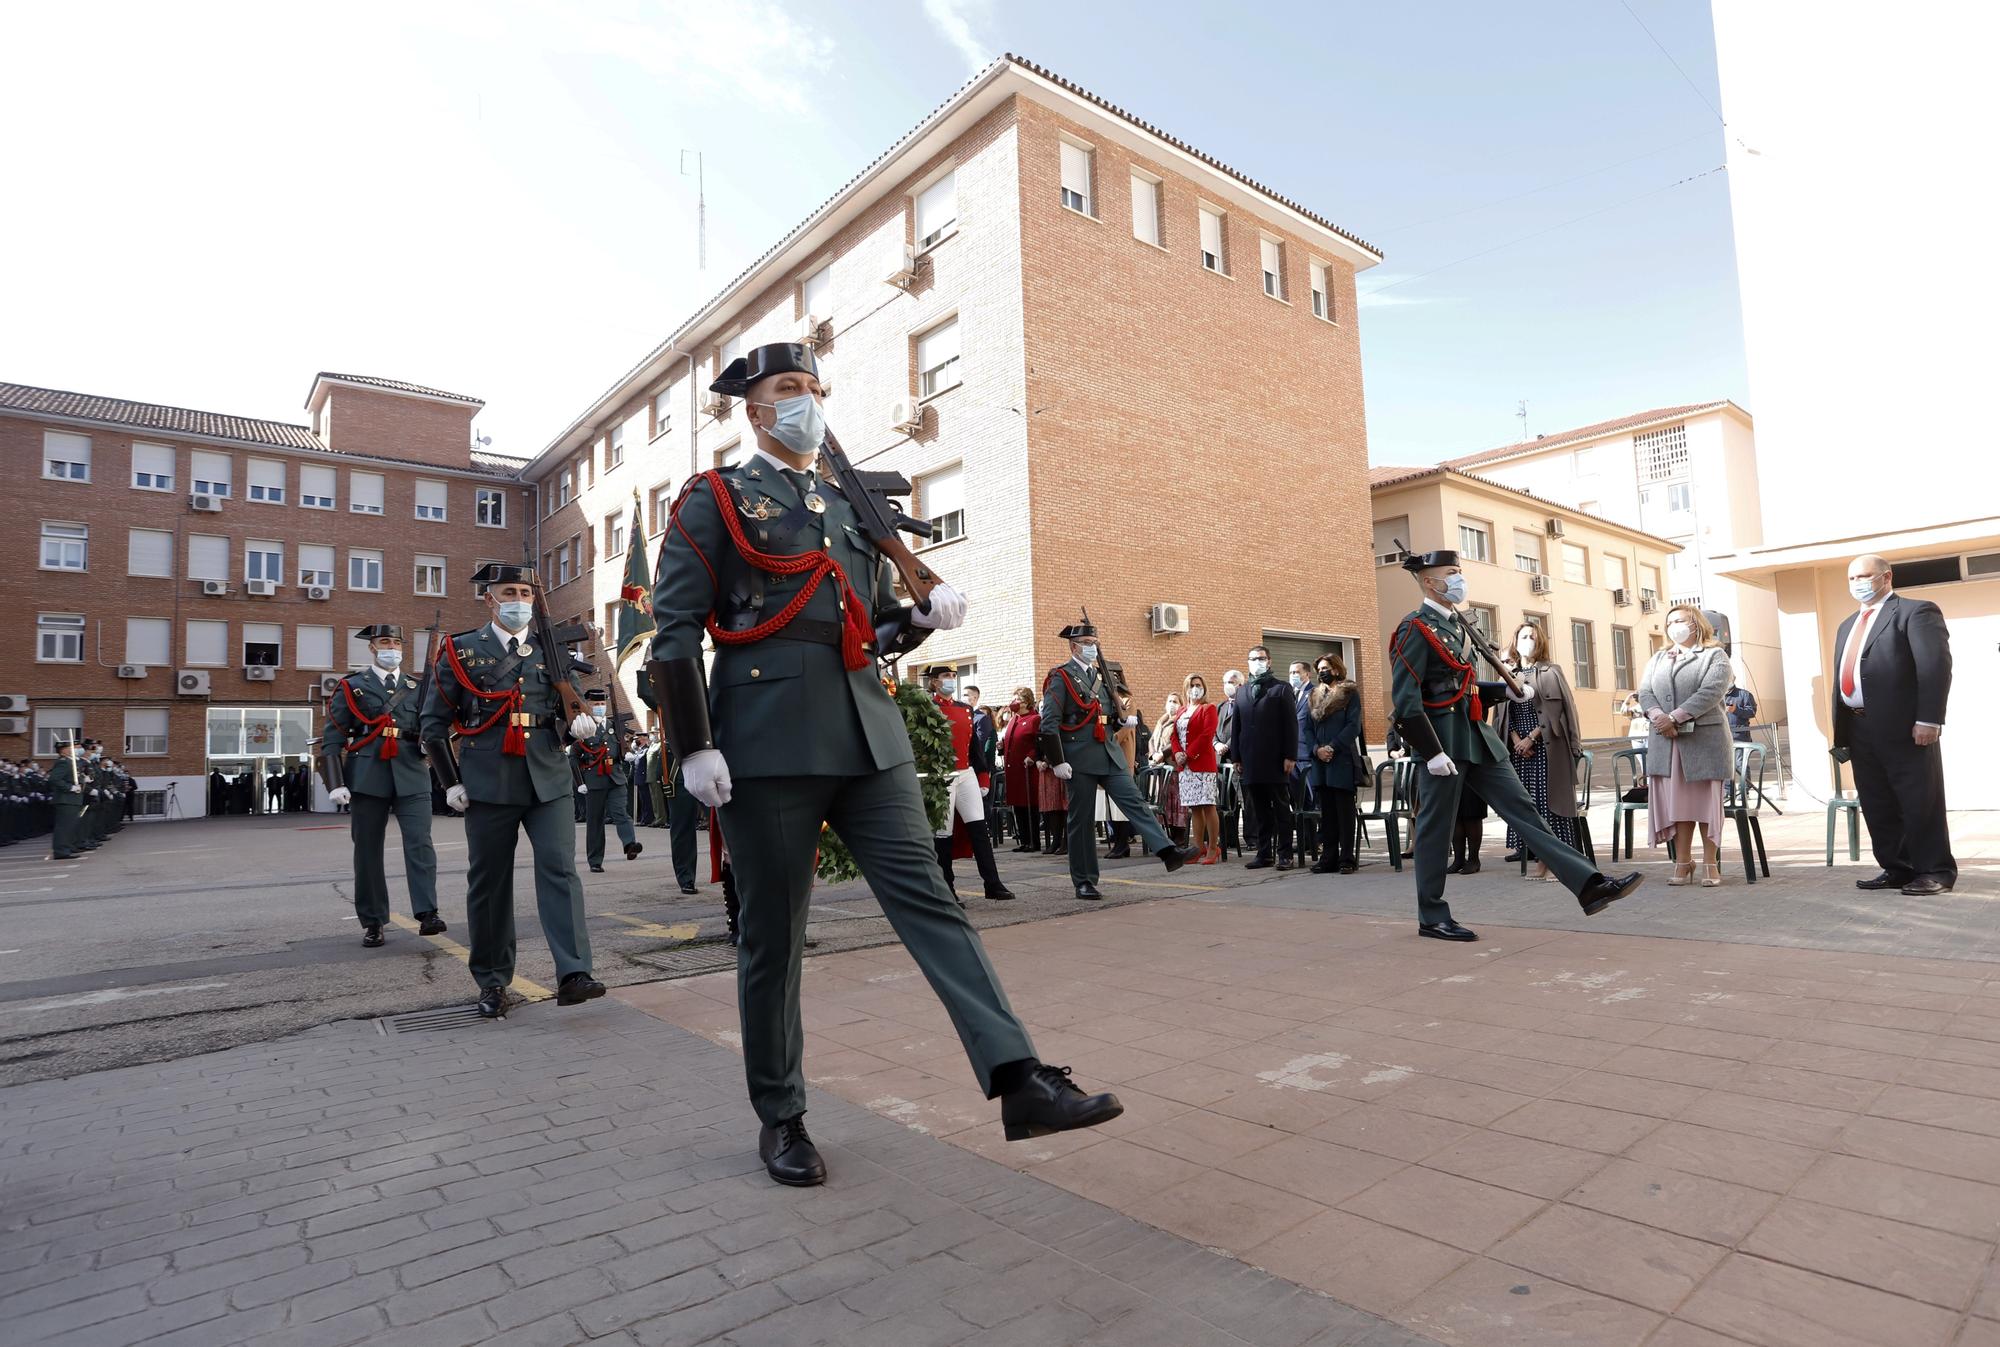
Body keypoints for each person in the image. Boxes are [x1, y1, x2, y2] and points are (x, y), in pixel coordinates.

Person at [650, 341, 1122, 1187]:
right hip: (765, 740)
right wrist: (693, 743)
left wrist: (922, 615)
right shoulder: (717, 497)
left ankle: (1019, 1078)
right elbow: (675, 630)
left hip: (870, 735)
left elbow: (865, 626)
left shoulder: (845, 502)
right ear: (754, 410)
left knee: (935, 905)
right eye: (789, 389)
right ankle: (782, 1114)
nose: (808, 401)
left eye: (815, 388)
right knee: (774, 940)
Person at [1390, 545, 1643, 940]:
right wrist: (1432, 751)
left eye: (1458, 570)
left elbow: (1463, 684)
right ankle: (1432, 915)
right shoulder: (1414, 628)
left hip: (1477, 736)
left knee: (1525, 811)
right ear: (1427, 581)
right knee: (1435, 829)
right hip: (1443, 741)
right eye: (1450, 572)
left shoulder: (1457, 623)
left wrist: (1502, 693)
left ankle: (1588, 885)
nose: (1457, 577)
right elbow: (1406, 700)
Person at [421, 562, 607, 1020]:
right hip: (487, 780)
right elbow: (431, 725)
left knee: (561, 871)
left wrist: (583, 726)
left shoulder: (552, 648)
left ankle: (574, 973)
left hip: (548, 775)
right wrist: (451, 782)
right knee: (489, 884)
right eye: (510, 592)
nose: (519, 600)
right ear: (490, 599)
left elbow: (572, 705)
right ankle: (492, 980)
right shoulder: (462, 651)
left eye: (525, 592)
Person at [1040, 616, 1190, 898]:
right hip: (1078, 756)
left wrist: (1122, 723)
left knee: (1135, 801)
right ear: (1073, 647)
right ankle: (1084, 880)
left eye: (1094, 643)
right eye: (1086, 643)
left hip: (1108, 752)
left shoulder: (1100, 675)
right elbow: (1049, 722)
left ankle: (1168, 851)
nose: (1092, 648)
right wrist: (1057, 759)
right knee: (1081, 821)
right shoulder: (1060, 676)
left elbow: (1106, 715)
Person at [1835, 553, 1956, 895]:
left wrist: (1929, 718)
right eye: (1852, 578)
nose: (1858, 583)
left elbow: (1934, 667)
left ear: (1886, 577)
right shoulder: (1848, 624)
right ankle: (1898, 868)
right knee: (1877, 802)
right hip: (1859, 726)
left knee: (1920, 800)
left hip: (1907, 727)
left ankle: (1936, 871)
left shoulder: (1915, 612)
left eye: (1864, 576)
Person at [322, 624, 445, 947]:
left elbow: (434, 728)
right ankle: (373, 920)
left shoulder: (418, 687)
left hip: (411, 771)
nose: (391, 647)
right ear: (372, 648)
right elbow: (332, 736)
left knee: (420, 844)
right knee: (367, 852)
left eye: (395, 642)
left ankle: (427, 912)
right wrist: (334, 782)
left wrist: (427, 745)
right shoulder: (353, 687)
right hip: (367, 776)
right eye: (384, 642)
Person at [1639, 605, 1735, 888]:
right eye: (1670, 622)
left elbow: (1711, 692)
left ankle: (1709, 862)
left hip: (1704, 742)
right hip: (1667, 743)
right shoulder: (1658, 658)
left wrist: (1674, 718)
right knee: (1679, 805)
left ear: (1696, 623)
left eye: (1680, 620)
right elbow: (1645, 691)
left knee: (1705, 805)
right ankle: (1683, 862)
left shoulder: (1714, 655)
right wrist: (1658, 717)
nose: (1674, 626)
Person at [1498, 622, 1584, 881]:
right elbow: (1502, 715)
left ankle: (1554, 864)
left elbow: (1562, 711)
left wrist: (1531, 738)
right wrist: (1516, 740)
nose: (1528, 641)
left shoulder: (1551, 671)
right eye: (1523, 636)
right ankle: (1541, 861)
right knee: (1528, 808)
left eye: (1532, 637)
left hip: (1546, 749)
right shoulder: (1507, 672)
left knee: (1550, 806)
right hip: (1518, 753)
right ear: (1515, 640)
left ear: (1541, 641)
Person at [923, 664, 1014, 902]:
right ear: (934, 682)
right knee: (943, 834)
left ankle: (992, 884)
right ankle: (947, 889)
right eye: (946, 676)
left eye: (954, 676)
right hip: (940, 777)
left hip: (966, 773)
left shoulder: (965, 709)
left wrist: (983, 775)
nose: (952, 680)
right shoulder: (926, 707)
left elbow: (975, 748)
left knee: (979, 829)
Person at [1231, 645, 1297, 871]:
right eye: (1252, 659)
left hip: (1276, 759)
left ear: (1269, 661)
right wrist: (1236, 757)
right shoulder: (1242, 691)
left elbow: (1291, 724)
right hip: (1250, 759)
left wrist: (1290, 755)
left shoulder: (1281, 689)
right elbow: (1236, 727)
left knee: (1280, 809)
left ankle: (1285, 854)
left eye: (1260, 658)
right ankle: (1264, 853)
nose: (1256, 662)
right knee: (1259, 811)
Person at [1299, 653, 1365, 874]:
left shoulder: (1349, 694)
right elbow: (1307, 728)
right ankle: (1328, 858)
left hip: (1341, 760)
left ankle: (1347, 858)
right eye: (1319, 669)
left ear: (1336, 669)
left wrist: (1332, 747)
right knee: (1326, 813)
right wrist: (1316, 749)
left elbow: (1353, 726)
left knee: (1345, 813)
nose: (1322, 672)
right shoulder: (1313, 695)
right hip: (1320, 762)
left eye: (1326, 668)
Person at [574, 687, 643, 873]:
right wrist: (579, 781)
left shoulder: (614, 725)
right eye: (596, 704)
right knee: (595, 822)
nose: (600, 707)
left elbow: (623, 745)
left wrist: (627, 753)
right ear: (588, 705)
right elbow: (574, 755)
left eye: (602, 704)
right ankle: (595, 860)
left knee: (620, 812)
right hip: (594, 780)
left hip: (615, 777)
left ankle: (630, 844)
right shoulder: (583, 726)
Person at [1169, 674, 1222, 863]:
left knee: (1208, 805)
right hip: (1185, 767)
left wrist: (1188, 754)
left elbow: (1207, 735)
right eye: (1192, 685)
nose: (1195, 688)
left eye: (1198, 685)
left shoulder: (1209, 708)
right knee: (1195, 807)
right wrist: (1177, 754)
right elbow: (1174, 736)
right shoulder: (1182, 710)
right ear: (1186, 688)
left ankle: (1213, 848)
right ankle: (1198, 847)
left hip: (1202, 764)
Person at [1000, 687, 1043, 853]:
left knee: (1029, 806)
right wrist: (1001, 747)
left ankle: (1034, 841)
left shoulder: (1034, 719)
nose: (1014, 702)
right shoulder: (1013, 720)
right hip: (1013, 770)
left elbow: (1038, 742)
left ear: (1026, 701)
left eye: (1017, 699)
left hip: (1027, 769)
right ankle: (1024, 840)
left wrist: (1032, 756)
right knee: (1018, 806)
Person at [1150, 692, 1187, 847]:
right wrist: (1153, 754)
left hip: (1174, 769)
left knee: (1176, 804)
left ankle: (1179, 836)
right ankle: (1168, 835)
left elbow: (1176, 742)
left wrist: (1162, 753)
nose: (1172, 704)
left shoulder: (1180, 720)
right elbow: (1152, 739)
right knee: (1165, 804)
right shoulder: (1162, 720)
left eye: (1175, 701)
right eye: (1170, 701)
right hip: (1160, 769)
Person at [48, 739, 83, 861]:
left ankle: (66, 848)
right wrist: (70, 787)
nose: (75, 749)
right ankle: (61, 851)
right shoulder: (63, 762)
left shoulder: (71, 762)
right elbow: (54, 779)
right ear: (64, 750)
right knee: (64, 827)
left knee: (70, 826)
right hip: (66, 799)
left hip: (72, 800)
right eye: (72, 747)